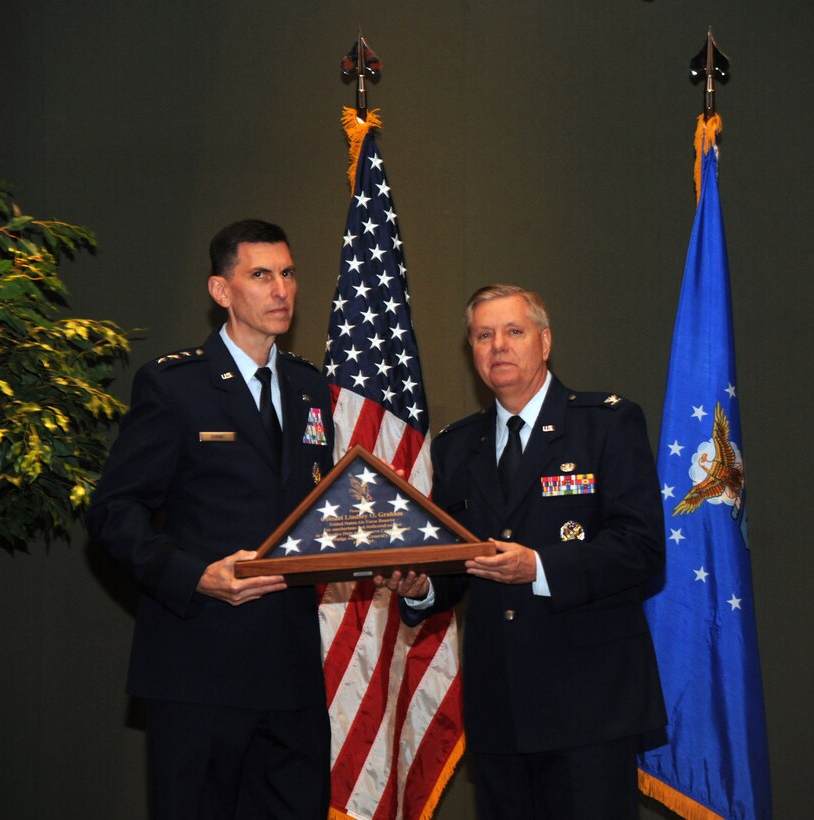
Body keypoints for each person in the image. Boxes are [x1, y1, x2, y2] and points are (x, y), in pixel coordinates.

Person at [377, 283, 667, 820]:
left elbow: (642, 549)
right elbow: (455, 562)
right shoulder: (458, 445)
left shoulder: (605, 423)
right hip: (500, 706)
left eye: (514, 332)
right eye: (483, 336)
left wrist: (537, 567)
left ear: (545, 341)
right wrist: (424, 588)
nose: (498, 347)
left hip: (589, 706)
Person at [87, 219, 334, 819]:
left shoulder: (308, 386)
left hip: (292, 675)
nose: (280, 290)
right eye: (260, 275)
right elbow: (114, 514)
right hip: (200, 671)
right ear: (221, 291)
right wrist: (195, 576)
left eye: (288, 274)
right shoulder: (175, 386)